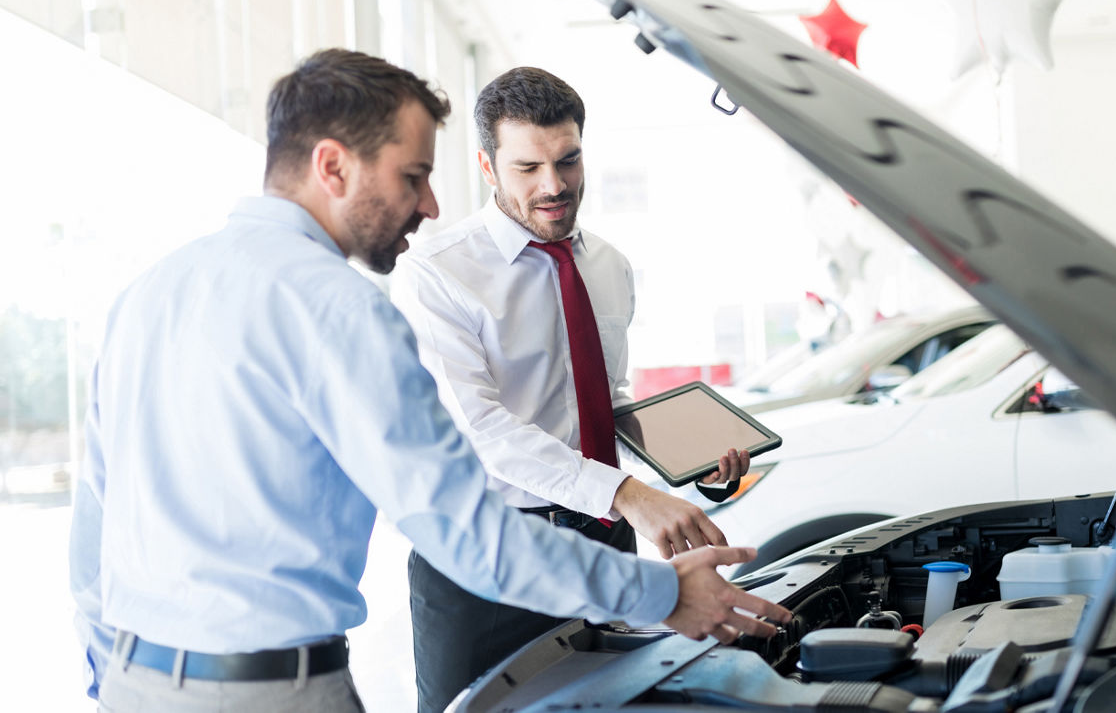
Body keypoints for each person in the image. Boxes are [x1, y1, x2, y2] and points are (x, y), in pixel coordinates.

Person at [67, 49, 790, 712]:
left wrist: (109, 668)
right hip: (278, 687)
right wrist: (662, 593)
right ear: (333, 166)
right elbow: (467, 530)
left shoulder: (147, 293)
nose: (429, 205)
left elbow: (94, 512)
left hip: (137, 680)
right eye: (412, 177)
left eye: (568, 161)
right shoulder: (343, 308)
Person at [390, 67, 750, 712]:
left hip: (599, 543)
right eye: (528, 168)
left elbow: (601, 401)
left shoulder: (609, 266)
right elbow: (482, 430)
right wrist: (629, 494)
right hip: (484, 555)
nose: (554, 186)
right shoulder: (436, 274)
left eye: (569, 160)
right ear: (487, 166)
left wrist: (693, 464)